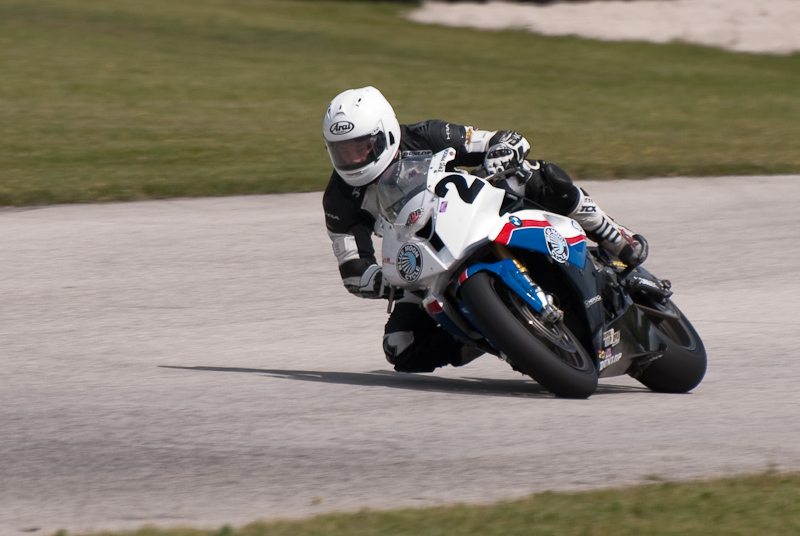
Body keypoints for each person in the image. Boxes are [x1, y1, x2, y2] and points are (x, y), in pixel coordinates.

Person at [322, 86, 646, 373]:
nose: (352, 159)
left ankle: (611, 233)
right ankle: (500, 335)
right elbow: (352, 267)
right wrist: (388, 280)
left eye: (361, 147)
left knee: (535, 175)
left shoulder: (427, 135)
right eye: (342, 151)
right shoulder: (339, 199)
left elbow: (498, 139)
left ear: (386, 134)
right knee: (401, 347)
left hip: (473, 213)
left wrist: (502, 151)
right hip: (423, 262)